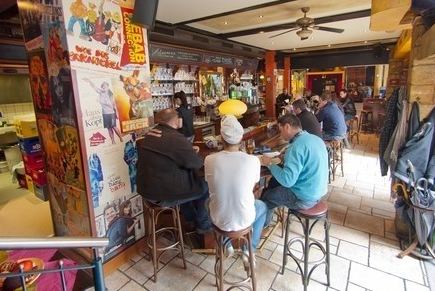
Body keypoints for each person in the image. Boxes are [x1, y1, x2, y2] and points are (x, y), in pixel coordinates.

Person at [205, 115, 267, 269]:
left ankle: (226, 244)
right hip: (245, 219)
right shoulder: (253, 160)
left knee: (207, 202)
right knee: (262, 206)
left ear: (221, 138)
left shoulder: (209, 160)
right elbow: (253, 185)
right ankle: (249, 250)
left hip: (219, 219)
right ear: (241, 138)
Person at [137, 108, 212, 233]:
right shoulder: (174, 137)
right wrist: (190, 152)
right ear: (177, 120)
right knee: (207, 187)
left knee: (186, 185)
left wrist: (187, 151)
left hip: (146, 190)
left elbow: (166, 154)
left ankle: (190, 219)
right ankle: (202, 226)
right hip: (162, 194)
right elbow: (197, 163)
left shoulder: (151, 134)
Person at [259, 114, 328, 226]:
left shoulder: (296, 147)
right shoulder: (315, 139)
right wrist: (286, 158)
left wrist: (269, 163)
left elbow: (287, 181)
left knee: (267, 197)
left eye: (280, 130)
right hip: (318, 191)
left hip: (304, 198)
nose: (280, 134)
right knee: (273, 183)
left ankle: (263, 226)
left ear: (287, 127)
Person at [84, 77, 124, 144]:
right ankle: (113, 141)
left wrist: (116, 113)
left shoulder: (111, 95)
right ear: (102, 87)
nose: (104, 87)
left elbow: (114, 105)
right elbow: (94, 87)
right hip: (105, 114)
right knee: (109, 128)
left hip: (111, 113)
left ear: (108, 87)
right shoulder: (101, 93)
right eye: (103, 86)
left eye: (106, 86)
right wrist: (90, 81)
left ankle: (121, 138)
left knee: (114, 126)